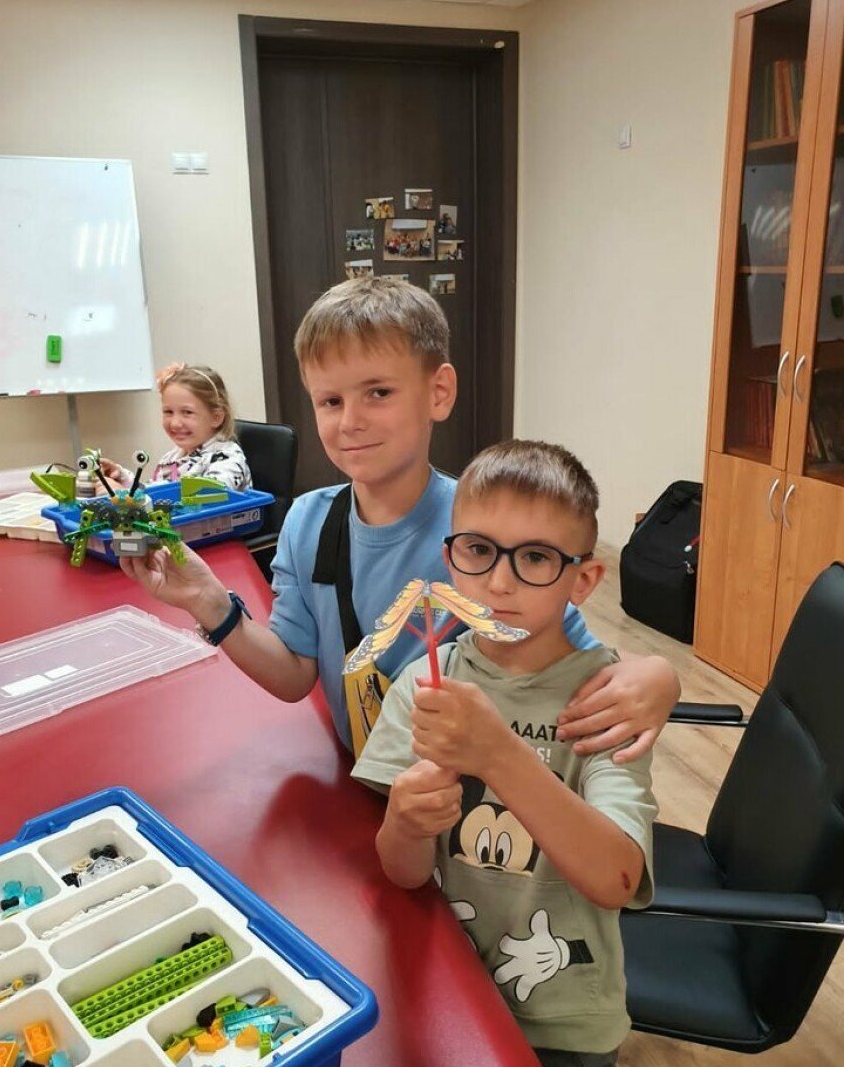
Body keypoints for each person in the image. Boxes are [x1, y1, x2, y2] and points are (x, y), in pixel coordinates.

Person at [117, 278, 678, 762]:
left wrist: (661, 676)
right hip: (366, 796)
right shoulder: (307, 522)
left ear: (438, 392)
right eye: (330, 401)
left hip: (470, 813)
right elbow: (293, 675)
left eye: (379, 392)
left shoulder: (488, 532)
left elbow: (575, 654)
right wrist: (210, 603)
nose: (350, 421)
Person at [352, 439, 657, 1067]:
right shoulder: (425, 687)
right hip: (450, 999)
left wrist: (497, 754)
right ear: (450, 556)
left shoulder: (605, 700)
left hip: (563, 1026)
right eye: (479, 550)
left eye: (537, 558)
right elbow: (401, 871)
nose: (499, 582)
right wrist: (405, 824)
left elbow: (617, 878)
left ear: (583, 580)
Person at [101, 363, 252, 492]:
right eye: (168, 412)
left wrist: (123, 496)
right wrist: (122, 478)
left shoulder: (228, 458)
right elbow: (154, 491)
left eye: (187, 412)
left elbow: (206, 501)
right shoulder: (172, 457)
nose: (174, 423)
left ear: (216, 418)